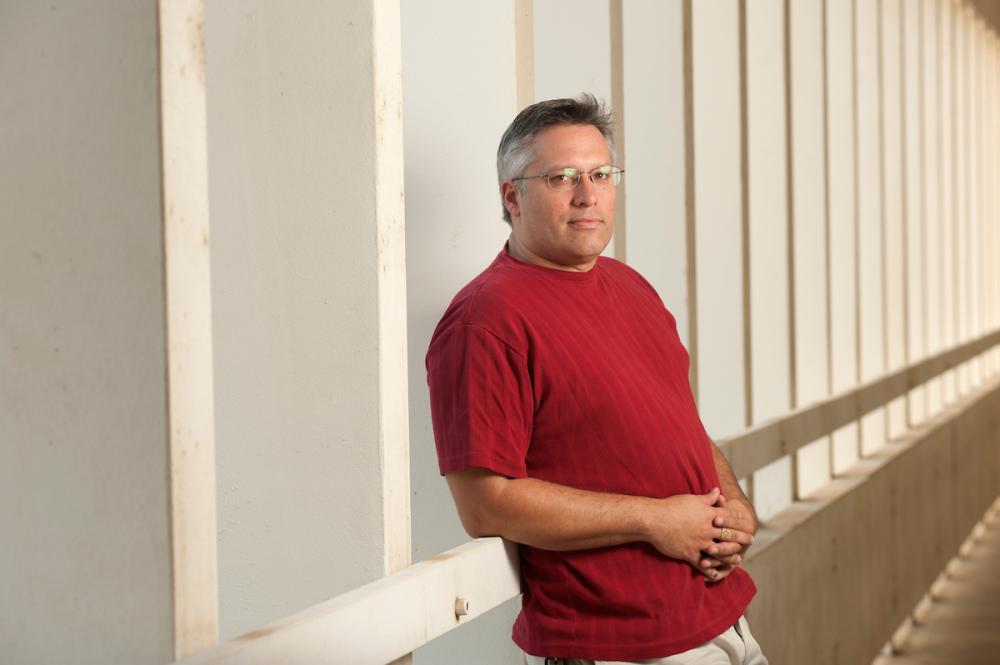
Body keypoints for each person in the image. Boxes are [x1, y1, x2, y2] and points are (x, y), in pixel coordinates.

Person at [425, 94, 768, 664]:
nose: (588, 195)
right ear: (513, 196)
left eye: (600, 174)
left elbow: (680, 422)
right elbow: (486, 504)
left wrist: (734, 504)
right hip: (618, 643)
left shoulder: (630, 286)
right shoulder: (486, 320)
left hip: (720, 621)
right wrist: (656, 521)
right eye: (561, 177)